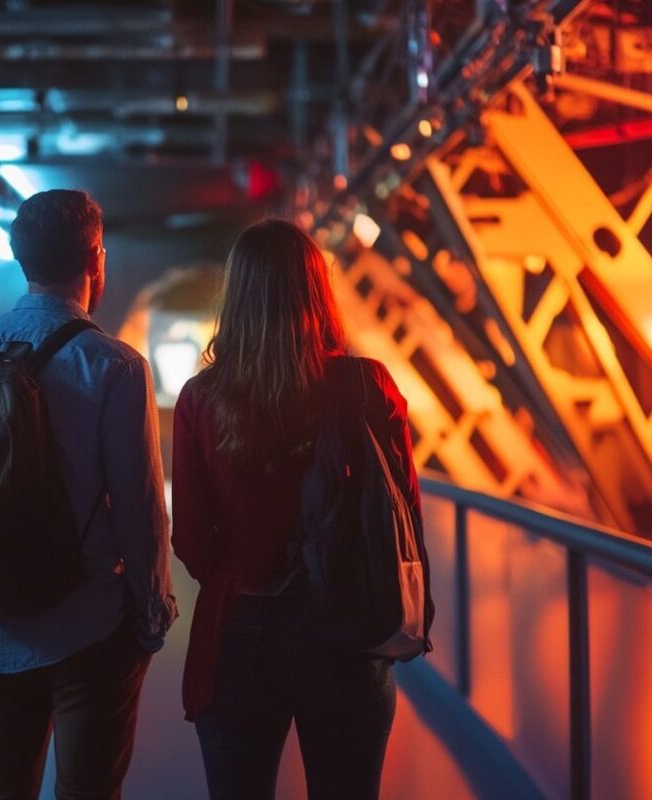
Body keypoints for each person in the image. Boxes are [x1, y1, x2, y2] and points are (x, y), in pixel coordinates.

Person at [0, 189, 177, 799]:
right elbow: (139, 505)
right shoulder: (114, 366)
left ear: (19, 258)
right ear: (96, 259)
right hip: (90, 625)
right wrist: (151, 611)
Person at [172, 219, 420, 800]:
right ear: (317, 290)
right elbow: (404, 512)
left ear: (237, 296)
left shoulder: (203, 399)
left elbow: (190, 539)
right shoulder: (367, 385)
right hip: (348, 630)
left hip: (240, 633)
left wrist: (244, 573)